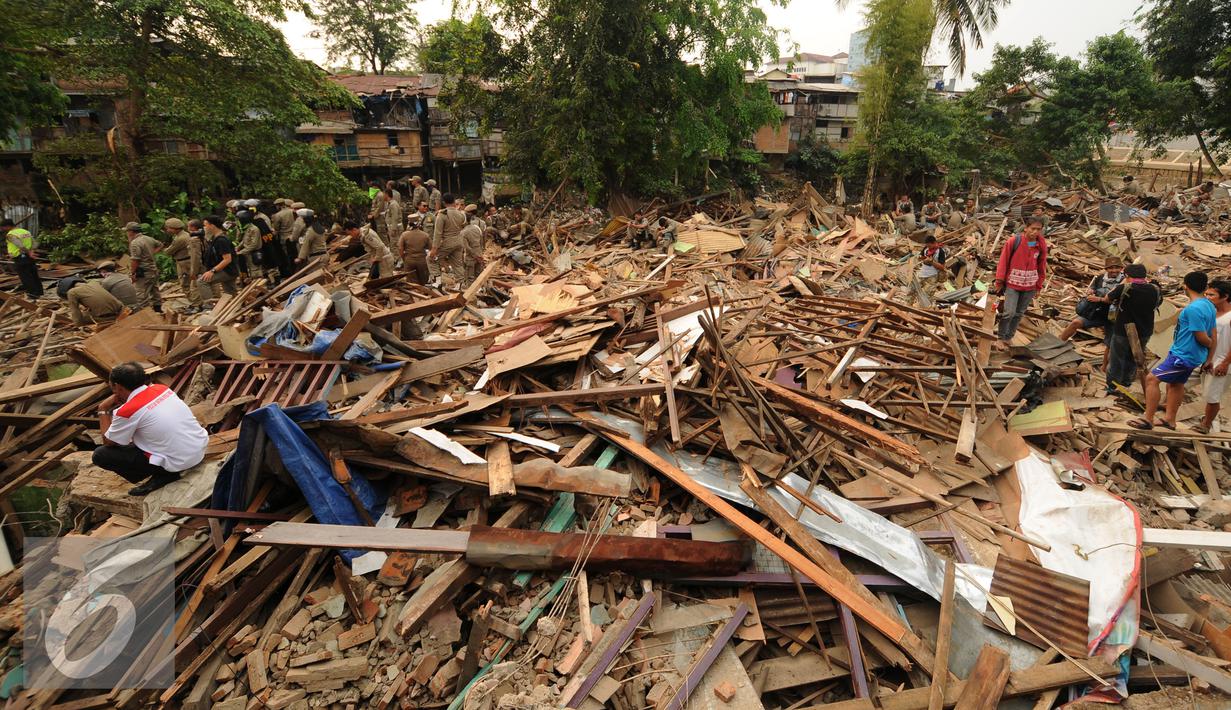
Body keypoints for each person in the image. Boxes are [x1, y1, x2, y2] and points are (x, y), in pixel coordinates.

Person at [92, 361, 209, 496]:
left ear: (117, 386)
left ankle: (163, 474)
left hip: (179, 462)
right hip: (198, 450)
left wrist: (102, 410)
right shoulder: (162, 389)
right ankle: (163, 470)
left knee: (101, 454)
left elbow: (108, 441)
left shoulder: (126, 411)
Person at [1131, 271, 1216, 430]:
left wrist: (1210, 348)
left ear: (1186, 286)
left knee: (1152, 379)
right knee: (1176, 384)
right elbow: (1214, 333)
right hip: (1189, 354)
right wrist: (1208, 356)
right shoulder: (1209, 305)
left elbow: (1202, 337)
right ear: (1205, 287)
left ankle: (1147, 418)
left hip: (1183, 355)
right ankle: (1170, 420)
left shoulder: (1193, 309)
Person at [1104, 263, 1162, 395]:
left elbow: (1107, 298)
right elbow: (1158, 303)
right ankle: (1126, 383)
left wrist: (1123, 283)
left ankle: (1112, 387)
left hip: (1123, 330)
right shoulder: (1155, 289)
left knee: (1117, 359)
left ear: (1128, 276)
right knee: (1133, 359)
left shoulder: (1125, 287)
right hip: (1144, 330)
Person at [993, 216, 1048, 347]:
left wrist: (1039, 285)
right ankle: (1000, 337)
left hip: (1030, 285)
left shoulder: (1040, 245)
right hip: (1013, 283)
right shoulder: (1014, 241)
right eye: (1032, 228)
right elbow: (1003, 261)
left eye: (1038, 229)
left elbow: (1042, 265)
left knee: (1019, 313)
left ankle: (1009, 337)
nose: (1035, 232)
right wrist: (999, 280)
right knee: (1009, 312)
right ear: (1026, 228)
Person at [1058, 257, 1124, 354]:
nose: (1114, 270)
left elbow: (1121, 301)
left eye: (1116, 268)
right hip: (1098, 312)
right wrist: (1091, 291)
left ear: (1121, 268)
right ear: (1106, 269)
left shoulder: (1124, 281)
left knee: (1110, 344)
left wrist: (1100, 299)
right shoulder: (1101, 278)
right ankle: (1058, 344)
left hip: (1114, 316)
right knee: (1075, 322)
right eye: (1111, 268)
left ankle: (1105, 366)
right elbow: (1093, 288)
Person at [1197, 280, 1231, 433]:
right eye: (1206, 294)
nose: (1207, 297)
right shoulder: (1211, 312)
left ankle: (1206, 424)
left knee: (1212, 396)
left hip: (1221, 360)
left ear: (1225, 296)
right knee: (1178, 381)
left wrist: (1225, 363)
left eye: (1212, 294)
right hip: (1205, 358)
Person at [162, 217, 203, 312]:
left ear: (174, 228)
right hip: (185, 261)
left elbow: (169, 251)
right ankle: (196, 303)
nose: (167, 230)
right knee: (191, 283)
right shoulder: (184, 235)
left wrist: (165, 250)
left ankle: (196, 305)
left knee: (186, 284)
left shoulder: (180, 238)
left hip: (184, 262)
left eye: (169, 228)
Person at [124, 221, 163, 312]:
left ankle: (145, 313)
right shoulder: (148, 238)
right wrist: (151, 254)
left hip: (143, 271)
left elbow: (135, 260)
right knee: (154, 290)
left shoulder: (135, 243)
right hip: (153, 268)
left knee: (141, 294)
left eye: (127, 231)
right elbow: (160, 244)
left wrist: (132, 273)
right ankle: (158, 310)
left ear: (131, 232)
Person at [430, 193, 467, 282]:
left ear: (443, 202)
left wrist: (434, 248)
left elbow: (438, 233)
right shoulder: (461, 214)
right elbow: (463, 225)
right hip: (459, 241)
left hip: (447, 242)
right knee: (458, 265)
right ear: (454, 201)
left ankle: (437, 283)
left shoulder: (442, 214)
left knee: (431, 259)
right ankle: (461, 285)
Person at [59, 276, 125, 326]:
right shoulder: (94, 282)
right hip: (122, 310)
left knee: (84, 316)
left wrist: (77, 324)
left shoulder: (71, 292)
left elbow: (75, 312)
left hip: (107, 318)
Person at [200, 215, 239, 297]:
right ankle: (235, 306)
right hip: (228, 269)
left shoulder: (221, 240)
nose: (204, 228)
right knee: (230, 293)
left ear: (212, 226)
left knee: (202, 281)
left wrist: (212, 271)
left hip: (227, 270)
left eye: (205, 225)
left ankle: (209, 305)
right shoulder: (216, 238)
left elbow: (227, 259)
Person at [1, 218, 42, 297]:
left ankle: (32, 294)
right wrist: (32, 251)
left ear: (8, 226)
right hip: (29, 256)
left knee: (25, 276)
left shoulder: (11, 234)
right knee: (33, 274)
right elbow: (36, 242)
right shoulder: (25, 231)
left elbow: (20, 245)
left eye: (3, 227)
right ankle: (39, 292)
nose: (2, 229)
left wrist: (29, 252)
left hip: (21, 256)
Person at [398, 216, 431, 284]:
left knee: (412, 283)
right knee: (423, 281)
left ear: (409, 223)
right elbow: (431, 248)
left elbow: (400, 248)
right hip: (422, 261)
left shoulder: (404, 235)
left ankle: (414, 294)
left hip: (409, 260)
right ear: (419, 224)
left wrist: (404, 258)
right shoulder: (425, 235)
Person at [233, 210, 262, 280]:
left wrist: (240, 252)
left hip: (253, 253)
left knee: (255, 273)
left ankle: (259, 288)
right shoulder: (247, 228)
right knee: (250, 272)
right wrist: (237, 247)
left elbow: (253, 245)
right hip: (247, 253)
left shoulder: (254, 229)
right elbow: (244, 240)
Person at [460, 211, 484, 285]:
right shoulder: (477, 228)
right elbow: (481, 242)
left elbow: (467, 248)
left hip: (470, 258)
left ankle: (472, 295)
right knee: (479, 276)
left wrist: (475, 256)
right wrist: (479, 255)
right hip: (479, 255)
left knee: (470, 279)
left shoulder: (463, 232)